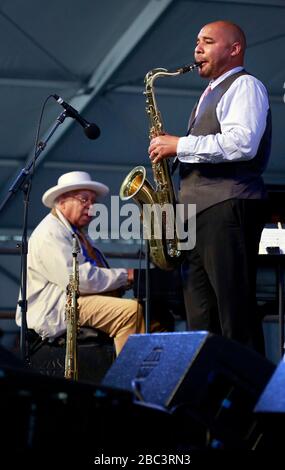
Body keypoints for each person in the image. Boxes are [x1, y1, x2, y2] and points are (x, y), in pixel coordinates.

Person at [148, 20, 271, 355]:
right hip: (197, 213)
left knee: (235, 314)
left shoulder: (245, 86)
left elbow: (242, 143)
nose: (197, 49)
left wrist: (179, 145)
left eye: (207, 42)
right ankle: (209, 402)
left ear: (234, 49)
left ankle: (250, 401)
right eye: (196, 42)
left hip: (227, 205)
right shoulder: (209, 93)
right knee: (201, 319)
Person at [16, 171, 145, 355]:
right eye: (84, 200)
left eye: (93, 202)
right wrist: (126, 276)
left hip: (72, 302)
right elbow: (77, 280)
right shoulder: (50, 233)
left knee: (153, 316)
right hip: (56, 310)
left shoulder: (75, 232)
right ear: (61, 202)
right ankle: (125, 380)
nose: (91, 207)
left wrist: (122, 281)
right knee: (132, 312)